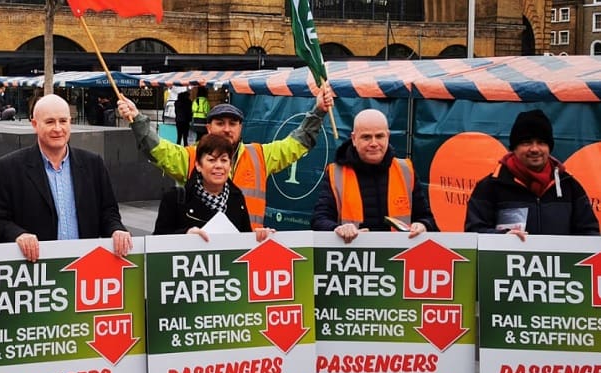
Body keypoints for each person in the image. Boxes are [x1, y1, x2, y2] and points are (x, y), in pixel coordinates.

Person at [117, 83, 334, 230]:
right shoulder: (190, 157)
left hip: (248, 250)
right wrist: (137, 118)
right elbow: (156, 148)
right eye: (220, 123)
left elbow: (296, 143)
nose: (227, 129)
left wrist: (318, 111)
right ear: (209, 127)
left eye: (233, 124)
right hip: (202, 253)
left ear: (241, 128)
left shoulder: (260, 156)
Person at [0, 94, 132, 262]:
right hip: (35, 270)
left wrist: (116, 230)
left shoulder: (93, 164)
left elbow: (108, 212)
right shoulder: (9, 168)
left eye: (63, 121)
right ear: (34, 124)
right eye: (50, 122)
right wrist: (18, 235)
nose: (58, 128)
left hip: (84, 267)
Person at [465, 109, 599, 240]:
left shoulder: (569, 185)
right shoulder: (490, 186)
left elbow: (589, 234)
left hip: (561, 263)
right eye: (526, 142)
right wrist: (502, 238)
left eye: (541, 142)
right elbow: (473, 233)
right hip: (505, 262)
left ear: (549, 147)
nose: (535, 149)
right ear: (514, 148)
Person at [311, 109, 437, 243]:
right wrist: (337, 229)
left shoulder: (405, 170)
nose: (374, 143)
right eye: (366, 137)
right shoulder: (335, 173)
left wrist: (423, 225)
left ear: (388, 136)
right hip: (353, 258)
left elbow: (427, 218)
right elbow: (319, 220)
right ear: (354, 139)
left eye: (379, 136)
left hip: (399, 257)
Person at [154, 134, 274, 242]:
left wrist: (257, 237)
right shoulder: (175, 199)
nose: (219, 166)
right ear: (198, 165)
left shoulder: (237, 199)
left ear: (230, 166)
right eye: (211, 160)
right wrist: (185, 235)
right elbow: (157, 242)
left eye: (224, 160)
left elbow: (244, 243)